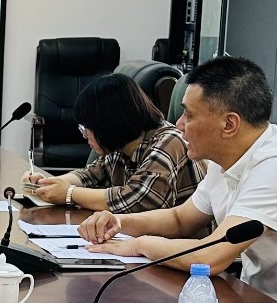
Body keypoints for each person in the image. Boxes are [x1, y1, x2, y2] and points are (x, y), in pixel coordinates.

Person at [78, 56, 277, 303]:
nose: (179, 125)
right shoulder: (226, 159)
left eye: (189, 115)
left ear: (229, 124)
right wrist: (120, 222)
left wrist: (139, 244)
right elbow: (181, 219)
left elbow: (211, 256)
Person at [24, 73, 198, 213]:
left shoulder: (169, 142)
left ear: (108, 124)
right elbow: (91, 175)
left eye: (86, 128)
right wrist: (47, 184)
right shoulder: (123, 146)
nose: (85, 135)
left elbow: (138, 199)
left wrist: (70, 194)